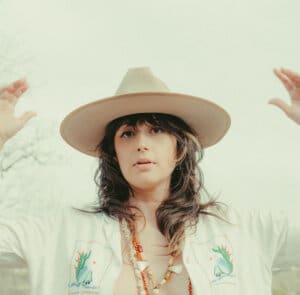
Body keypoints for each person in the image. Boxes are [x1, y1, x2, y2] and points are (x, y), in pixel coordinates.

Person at [0, 66, 299, 295]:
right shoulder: (60, 231)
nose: (142, 144)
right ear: (114, 153)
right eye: (127, 133)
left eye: (156, 130)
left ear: (180, 147)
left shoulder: (243, 229)